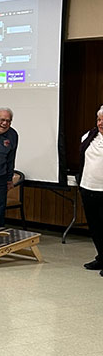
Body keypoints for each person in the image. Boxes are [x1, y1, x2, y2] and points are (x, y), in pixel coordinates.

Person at [78, 106, 103, 274]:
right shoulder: (89, 136)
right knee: (95, 227)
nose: (101, 123)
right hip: (88, 187)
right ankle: (101, 257)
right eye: (99, 120)